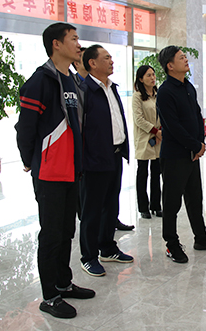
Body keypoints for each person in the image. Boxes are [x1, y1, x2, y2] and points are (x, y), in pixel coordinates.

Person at [16, 23, 95, 319]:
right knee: (50, 235)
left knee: (65, 231)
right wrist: (30, 159)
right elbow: (25, 127)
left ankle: (64, 283)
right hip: (48, 172)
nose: (79, 44)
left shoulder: (71, 80)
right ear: (56, 44)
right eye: (73, 39)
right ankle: (49, 296)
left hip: (70, 170)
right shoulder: (41, 80)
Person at [156, 45, 206, 263]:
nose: (186, 60)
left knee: (195, 198)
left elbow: (196, 114)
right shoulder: (165, 91)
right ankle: (171, 243)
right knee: (172, 203)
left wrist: (201, 142)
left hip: (192, 154)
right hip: (174, 155)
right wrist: (194, 145)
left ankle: (201, 238)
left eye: (185, 56)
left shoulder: (188, 86)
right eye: (181, 57)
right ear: (170, 65)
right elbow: (172, 126)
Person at [78, 44, 134, 277]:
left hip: (115, 155)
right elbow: (79, 129)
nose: (112, 61)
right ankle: (88, 256)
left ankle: (108, 248)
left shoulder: (112, 87)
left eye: (111, 57)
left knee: (111, 205)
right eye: (107, 58)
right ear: (92, 63)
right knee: (92, 209)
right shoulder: (84, 90)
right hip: (94, 159)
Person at [132, 65, 162, 219]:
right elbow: (139, 119)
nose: (152, 78)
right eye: (148, 75)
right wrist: (155, 131)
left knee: (156, 173)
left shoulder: (158, 94)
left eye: (153, 74)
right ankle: (143, 207)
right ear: (141, 79)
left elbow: (163, 114)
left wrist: (160, 131)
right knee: (142, 173)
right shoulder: (137, 96)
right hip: (145, 139)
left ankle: (156, 205)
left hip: (158, 139)